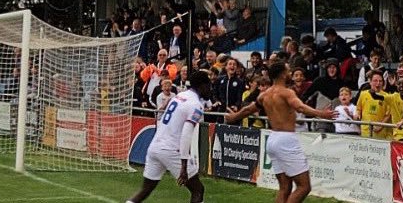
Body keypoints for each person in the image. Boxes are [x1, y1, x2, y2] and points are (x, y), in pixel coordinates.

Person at [225, 62, 337, 203]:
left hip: (272, 139)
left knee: (285, 187)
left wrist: (234, 117)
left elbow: (248, 109)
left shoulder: (264, 95)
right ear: (283, 74)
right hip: (286, 139)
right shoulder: (287, 92)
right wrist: (321, 113)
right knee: (304, 186)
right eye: (289, 71)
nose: (290, 73)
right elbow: (300, 108)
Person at [126, 70, 210, 203]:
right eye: (208, 85)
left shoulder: (179, 96)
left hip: (155, 146)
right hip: (172, 149)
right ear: (202, 86)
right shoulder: (196, 105)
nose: (210, 89)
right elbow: (186, 134)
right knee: (197, 189)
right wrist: (183, 166)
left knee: (145, 190)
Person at [357, 71, 394, 140]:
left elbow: (388, 115)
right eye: (375, 81)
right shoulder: (363, 94)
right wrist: (358, 115)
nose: (378, 83)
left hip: (380, 132)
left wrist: (380, 126)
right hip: (365, 131)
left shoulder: (387, 96)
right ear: (370, 82)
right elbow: (358, 108)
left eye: (380, 81)